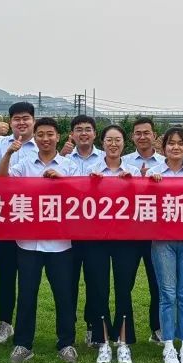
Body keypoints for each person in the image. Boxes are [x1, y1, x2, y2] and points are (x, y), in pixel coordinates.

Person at [0, 117, 81, 363]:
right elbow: (1, 182)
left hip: (60, 243)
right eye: (41, 134)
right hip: (28, 243)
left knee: (64, 295)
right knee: (27, 295)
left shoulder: (70, 166)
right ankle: (23, 344)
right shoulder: (23, 164)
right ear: (35, 137)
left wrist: (62, 181)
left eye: (50, 134)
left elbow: (82, 196)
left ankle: (66, 343)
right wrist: (8, 154)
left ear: (58, 137)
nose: (45, 139)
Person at [0, 101, 37, 345]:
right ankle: (5, 322)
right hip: (3, 216)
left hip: (31, 218)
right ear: (10, 122)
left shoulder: (41, 144)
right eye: (16, 119)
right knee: (6, 272)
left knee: (29, 273)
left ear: (33, 121)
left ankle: (25, 324)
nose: (21, 122)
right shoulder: (1, 142)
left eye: (25, 118)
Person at [147, 127, 183, 363]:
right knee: (168, 294)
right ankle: (169, 345)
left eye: (181, 143)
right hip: (162, 241)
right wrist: (150, 185)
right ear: (164, 148)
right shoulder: (153, 173)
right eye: (171, 143)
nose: (176, 147)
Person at [85, 124, 142, 363]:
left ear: (124, 143)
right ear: (102, 143)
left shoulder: (133, 171)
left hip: (126, 239)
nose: (113, 144)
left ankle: (123, 341)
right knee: (99, 289)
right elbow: (78, 199)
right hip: (97, 239)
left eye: (117, 139)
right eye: (109, 140)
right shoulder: (90, 170)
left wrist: (132, 184)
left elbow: (143, 201)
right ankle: (103, 341)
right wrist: (91, 184)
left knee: (123, 289)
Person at [60, 114, 106, 348]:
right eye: (79, 129)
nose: (84, 133)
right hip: (68, 233)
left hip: (97, 233)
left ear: (95, 134)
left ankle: (93, 329)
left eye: (88, 129)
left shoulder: (106, 159)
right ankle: (68, 330)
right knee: (68, 283)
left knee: (96, 283)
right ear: (72, 134)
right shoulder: (63, 160)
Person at [122, 117, 165, 343]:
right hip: (129, 232)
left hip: (156, 232)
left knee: (158, 283)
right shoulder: (123, 162)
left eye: (146, 133)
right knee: (124, 284)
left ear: (154, 136)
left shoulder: (166, 163)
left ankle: (158, 329)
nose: (142, 137)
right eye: (138, 133)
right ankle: (125, 333)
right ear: (132, 137)